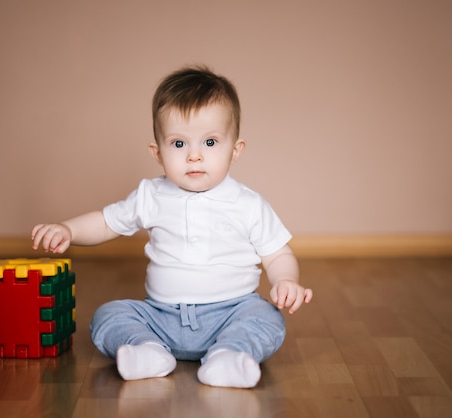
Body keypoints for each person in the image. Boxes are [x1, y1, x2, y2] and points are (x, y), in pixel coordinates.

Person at [31, 65, 313, 388]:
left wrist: (286, 280)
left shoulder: (248, 204)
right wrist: (68, 230)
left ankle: (229, 356)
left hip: (232, 313)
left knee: (267, 319)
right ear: (158, 153)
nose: (194, 156)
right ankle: (147, 350)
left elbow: (277, 254)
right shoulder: (151, 195)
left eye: (210, 142)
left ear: (236, 151)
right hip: (161, 317)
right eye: (179, 144)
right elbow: (107, 222)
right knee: (106, 316)